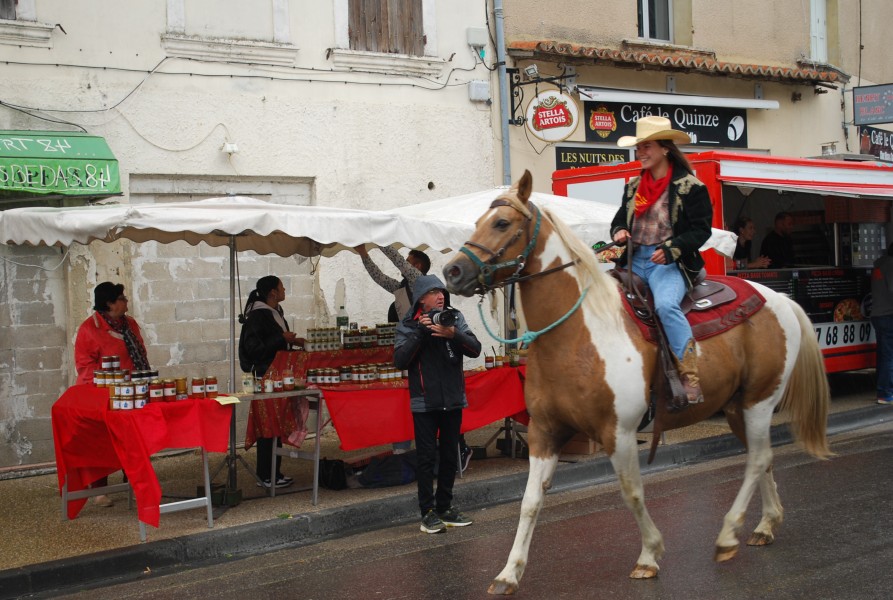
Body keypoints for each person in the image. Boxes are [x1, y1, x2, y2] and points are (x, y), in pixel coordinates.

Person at [610, 115, 713, 410]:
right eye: (638, 148)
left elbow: (700, 230)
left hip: (668, 264)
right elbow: (620, 219)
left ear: (665, 149)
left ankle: (690, 377)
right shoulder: (634, 187)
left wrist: (671, 249)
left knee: (666, 306)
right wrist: (618, 231)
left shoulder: (690, 187)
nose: (640, 153)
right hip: (633, 260)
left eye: (646, 147)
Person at [394, 274, 481, 534]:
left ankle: (445, 507)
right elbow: (399, 360)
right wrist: (421, 333)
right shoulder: (408, 324)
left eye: (442, 291)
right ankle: (427, 512)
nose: (440, 296)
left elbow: (475, 348)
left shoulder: (453, 318)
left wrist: (452, 333)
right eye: (434, 292)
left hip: (453, 399)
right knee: (425, 458)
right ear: (421, 298)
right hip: (425, 401)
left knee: (449, 455)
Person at [74, 281, 150, 507]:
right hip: (102, 395)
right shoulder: (89, 328)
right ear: (109, 303)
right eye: (121, 298)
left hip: (132, 392)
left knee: (134, 440)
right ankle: (100, 489)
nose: (126, 301)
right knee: (101, 443)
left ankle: (136, 483)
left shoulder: (131, 324)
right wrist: (106, 389)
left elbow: (141, 352)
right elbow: (85, 366)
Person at [238, 275, 301, 488]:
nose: (284, 290)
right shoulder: (258, 316)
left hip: (276, 375)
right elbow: (254, 349)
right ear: (272, 292)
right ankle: (266, 475)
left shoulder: (274, 312)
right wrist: (282, 339)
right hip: (265, 376)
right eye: (282, 287)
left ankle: (273, 473)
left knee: (275, 424)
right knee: (268, 425)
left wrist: (291, 342)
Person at [871, 243, 893, 405]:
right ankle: (885, 392)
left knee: (883, 355)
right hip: (888, 315)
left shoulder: (878, 265)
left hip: (877, 315)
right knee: (888, 356)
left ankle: (881, 388)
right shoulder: (891, 266)